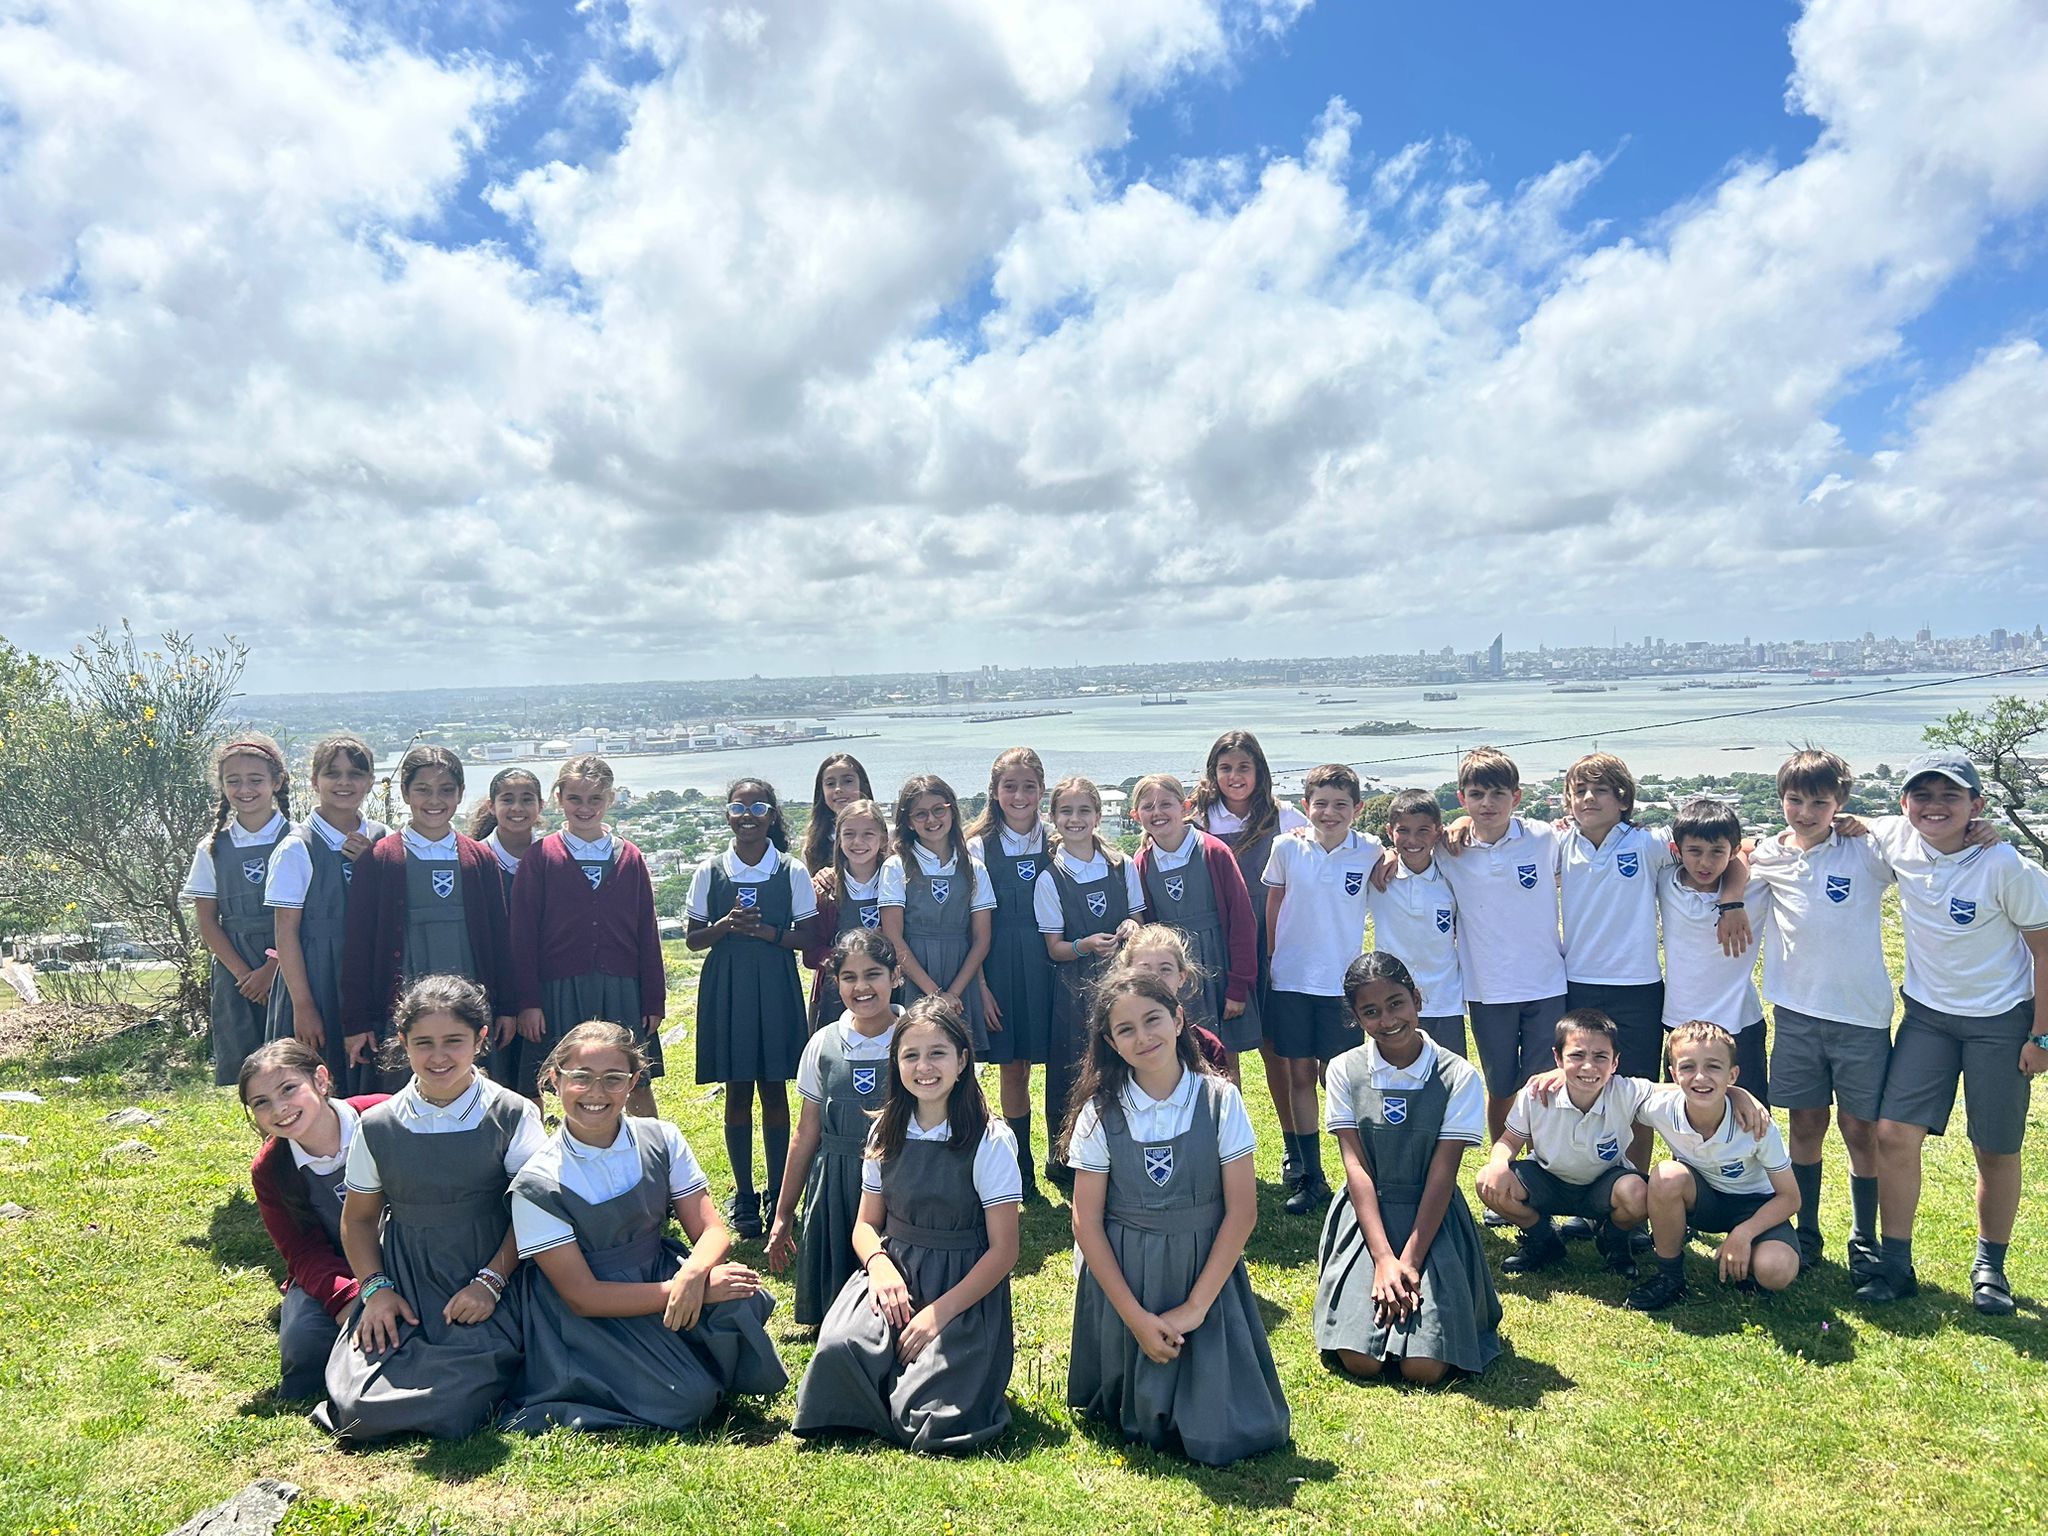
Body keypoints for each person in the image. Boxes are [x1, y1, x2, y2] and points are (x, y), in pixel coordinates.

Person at [501, 1021, 784, 1434]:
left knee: (740, 1293)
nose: (596, 1092)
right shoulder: (538, 1181)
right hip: (591, 1312)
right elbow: (583, 1297)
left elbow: (712, 1231)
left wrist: (693, 1274)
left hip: (657, 1270)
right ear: (554, 1080)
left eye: (613, 1079)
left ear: (633, 1082)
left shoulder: (660, 1138)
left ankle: (685, 1360)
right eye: (581, 1077)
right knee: (686, 1400)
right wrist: (688, 1292)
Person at [1063, 968, 1287, 1464]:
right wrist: (1136, 1319)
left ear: (1179, 1018)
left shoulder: (1220, 1100)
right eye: (1125, 1029)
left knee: (1220, 1428)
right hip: (1128, 1281)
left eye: (1153, 1020)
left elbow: (1242, 1212)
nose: (1143, 1037)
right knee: (1140, 1418)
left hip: (1203, 1276)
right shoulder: (1100, 1112)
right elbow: (1086, 1223)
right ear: (1110, 1043)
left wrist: (1194, 1309)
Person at [313, 976, 546, 1443]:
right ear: (403, 1043)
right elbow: (358, 1218)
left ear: (480, 1039)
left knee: (459, 1400)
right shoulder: (378, 1124)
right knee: (356, 1408)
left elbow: (532, 1209)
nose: (439, 1056)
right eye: (424, 1043)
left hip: (489, 1271)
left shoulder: (512, 1113)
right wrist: (376, 1290)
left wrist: (491, 1282)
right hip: (406, 1278)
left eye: (454, 1041)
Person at [1860, 751, 2048, 1313]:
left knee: (1994, 1147)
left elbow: (2045, 951)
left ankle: (1990, 1268)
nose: (1935, 806)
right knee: (1894, 1134)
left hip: (2000, 1021)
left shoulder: (2005, 865)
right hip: (1928, 1019)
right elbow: (1835, 822)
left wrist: (2042, 1036)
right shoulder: (1896, 837)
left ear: (1976, 805)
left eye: (1951, 796)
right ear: (1904, 803)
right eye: (1923, 795)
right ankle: (1896, 1264)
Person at [793, 995, 1021, 1453]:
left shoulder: (989, 1139)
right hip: (895, 1274)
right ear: (895, 1064)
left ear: (962, 1060)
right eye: (910, 1055)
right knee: (838, 1350)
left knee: (930, 1414)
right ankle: (886, 1380)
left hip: (961, 1286)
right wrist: (879, 1267)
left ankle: (903, 1391)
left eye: (937, 1053)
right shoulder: (885, 1130)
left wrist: (938, 1314)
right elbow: (865, 1224)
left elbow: (1004, 1251)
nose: (924, 1067)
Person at [1313, 952, 1500, 1382]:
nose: (1387, 1020)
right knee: (1361, 1360)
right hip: (1367, 1217)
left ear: (1416, 998)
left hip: (1432, 1217)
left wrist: (1410, 1261)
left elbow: (1442, 1176)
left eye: (1396, 1003)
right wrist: (1382, 1258)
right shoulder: (1343, 1070)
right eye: (1371, 1012)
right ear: (1357, 1018)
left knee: (1425, 1367)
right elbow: (1356, 1168)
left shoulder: (1458, 1075)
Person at [1748, 749, 1896, 1277]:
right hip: (1796, 1013)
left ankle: (1864, 1238)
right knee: (1805, 1124)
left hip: (1861, 1016)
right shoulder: (1769, 853)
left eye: (1819, 802)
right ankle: (1805, 1231)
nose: (1805, 813)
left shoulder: (1863, 850)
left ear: (1839, 803)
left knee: (1860, 1129)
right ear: (1781, 800)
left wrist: (1868, 822)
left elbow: (1919, 839)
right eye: (1795, 800)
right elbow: (1731, 861)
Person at [685, 777, 819, 1240]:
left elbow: (809, 936)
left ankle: (780, 1193)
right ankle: (744, 1194)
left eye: (758, 808)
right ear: (727, 814)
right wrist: (725, 925)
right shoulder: (711, 871)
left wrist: (769, 934)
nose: (748, 816)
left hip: (776, 984)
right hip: (728, 986)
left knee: (775, 1089)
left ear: (772, 815)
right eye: (738, 808)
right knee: (737, 1090)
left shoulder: (790, 870)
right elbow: (693, 938)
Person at [340, 746, 515, 1085]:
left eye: (446, 790)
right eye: (423, 789)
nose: (435, 800)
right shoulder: (380, 859)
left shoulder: (480, 859)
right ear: (405, 793)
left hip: (469, 993)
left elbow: (500, 940)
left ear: (460, 793)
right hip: (403, 994)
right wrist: (356, 1020)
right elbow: (359, 945)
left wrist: (507, 1006)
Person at [508, 755, 666, 1114]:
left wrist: (653, 999)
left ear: (610, 799)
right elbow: (523, 936)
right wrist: (528, 1002)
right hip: (559, 989)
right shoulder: (541, 857)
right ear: (559, 799)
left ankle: (649, 1147)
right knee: (564, 1081)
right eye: (575, 798)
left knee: (635, 1082)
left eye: (595, 798)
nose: (585, 808)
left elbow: (646, 930)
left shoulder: (630, 857)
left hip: (621, 988)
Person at [1189, 731, 1310, 1189]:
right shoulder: (1198, 819)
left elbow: (1329, 847)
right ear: (1213, 773)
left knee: (1276, 1049)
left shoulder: (1285, 817)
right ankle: (1231, 1150)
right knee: (1225, 1051)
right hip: (1222, 946)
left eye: (1244, 767)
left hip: (1274, 942)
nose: (1235, 776)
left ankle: (1294, 1146)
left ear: (1260, 771)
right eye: (1225, 768)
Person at [768, 930, 906, 1326]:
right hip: (835, 1181)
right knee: (838, 1306)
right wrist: (783, 1213)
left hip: (899, 1177)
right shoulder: (823, 1043)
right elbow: (805, 1132)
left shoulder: (913, 1036)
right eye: (849, 977)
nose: (861, 987)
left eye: (873, 974)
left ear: (895, 976)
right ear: (836, 982)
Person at [239, 1039, 389, 1398]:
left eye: (288, 1089)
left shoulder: (384, 1115)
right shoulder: (272, 1169)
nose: (279, 1108)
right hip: (338, 1272)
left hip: (412, 1256)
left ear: (320, 1080)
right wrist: (349, 1300)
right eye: (261, 1103)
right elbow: (303, 1252)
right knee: (305, 1345)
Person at [1432, 748, 1566, 1146]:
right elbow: (1408, 852)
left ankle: (1542, 1167)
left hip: (1546, 985)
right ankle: (1502, 1164)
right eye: (1476, 795)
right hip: (1487, 990)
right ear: (1462, 798)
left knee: (1544, 1086)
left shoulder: (1544, 838)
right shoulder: (1448, 849)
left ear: (1516, 797)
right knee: (1501, 1087)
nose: (1487, 804)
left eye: (1497, 794)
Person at [1262, 763, 1380, 1214]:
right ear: (1306, 805)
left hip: (1342, 986)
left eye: (1340, 805)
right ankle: (1311, 1176)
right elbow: (1275, 901)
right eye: (1321, 804)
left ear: (1358, 809)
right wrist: (1272, 957)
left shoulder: (1370, 851)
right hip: (1292, 980)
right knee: (1298, 1076)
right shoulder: (1287, 847)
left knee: (1340, 1080)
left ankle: (1360, 1176)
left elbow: (1401, 860)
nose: (1329, 813)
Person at [1626, 1021, 1802, 1310]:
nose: (1700, 1077)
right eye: (1687, 1067)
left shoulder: (1755, 1123)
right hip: (1703, 1203)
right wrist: (1561, 1073)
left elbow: (1790, 1198)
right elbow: (1610, 1088)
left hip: (1755, 1206)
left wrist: (1744, 1233)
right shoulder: (1661, 1106)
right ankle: (1669, 1276)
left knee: (1775, 1270)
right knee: (1667, 1175)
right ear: (1673, 1074)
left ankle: (1748, 1260)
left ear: (1732, 1075)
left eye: (1713, 1067)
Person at [1473, 1010, 1651, 1281]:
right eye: (1577, 1055)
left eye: (1600, 1057)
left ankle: (1614, 1240)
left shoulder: (1626, 1091)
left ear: (1615, 1062)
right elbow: (1509, 1140)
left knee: (1639, 1192)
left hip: (1603, 1185)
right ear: (1558, 1058)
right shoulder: (1536, 1092)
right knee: (1488, 1180)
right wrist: (1498, 1163)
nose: (1588, 1067)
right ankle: (1543, 1239)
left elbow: (1674, 1093)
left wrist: (1721, 1088)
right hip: (1547, 1180)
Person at [1035, 775, 1146, 1189]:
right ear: (1053, 817)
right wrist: (1083, 945)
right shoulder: (1050, 878)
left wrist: (1131, 927)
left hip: (1121, 982)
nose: (1075, 819)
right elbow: (1055, 948)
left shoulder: (1122, 865)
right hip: (1074, 986)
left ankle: (1125, 1149)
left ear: (1098, 816)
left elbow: (1137, 919)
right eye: (1066, 811)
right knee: (1073, 1066)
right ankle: (1064, 1154)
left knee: (1123, 1061)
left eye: (1084, 810)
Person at [265, 734, 388, 1095]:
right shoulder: (297, 847)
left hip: (371, 971)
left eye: (355, 773)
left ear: (370, 781)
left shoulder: (384, 839)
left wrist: (372, 865)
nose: (344, 782)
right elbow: (286, 933)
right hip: (317, 978)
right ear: (314, 781)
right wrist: (303, 1005)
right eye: (333, 773)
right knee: (315, 1076)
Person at [965, 747, 1059, 1201]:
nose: (1019, 796)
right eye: (1010, 786)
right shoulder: (977, 846)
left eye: (1029, 786)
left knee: (1063, 1063)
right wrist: (980, 986)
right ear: (995, 792)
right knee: (1013, 1067)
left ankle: (1064, 1157)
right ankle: (1021, 1168)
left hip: (1051, 965)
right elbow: (970, 925)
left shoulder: (1057, 840)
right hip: (999, 967)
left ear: (1041, 790)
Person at [1131, 772, 1259, 1076]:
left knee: (1223, 1061)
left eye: (1166, 804)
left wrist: (1238, 986)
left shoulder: (1214, 852)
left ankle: (1227, 1107)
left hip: (1218, 970)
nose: (1157, 812)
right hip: (1171, 974)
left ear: (1185, 806)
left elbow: (1242, 920)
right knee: (1178, 1055)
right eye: (1148, 807)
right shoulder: (1141, 863)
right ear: (1136, 816)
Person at [184, 734, 292, 1085]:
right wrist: (246, 976)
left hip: (293, 963)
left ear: (276, 782)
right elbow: (207, 921)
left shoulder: (299, 840)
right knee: (249, 1066)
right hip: (236, 970)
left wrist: (273, 967)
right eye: (234, 781)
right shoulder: (212, 847)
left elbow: (307, 916)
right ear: (222, 785)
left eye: (255, 779)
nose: (245, 789)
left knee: (293, 1058)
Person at [1658, 797, 1771, 1098]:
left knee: (1749, 1111)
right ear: (1677, 851)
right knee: (1682, 1112)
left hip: (1740, 1021)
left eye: (1717, 852)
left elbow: (1751, 848)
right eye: (1694, 851)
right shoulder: (1666, 881)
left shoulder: (1755, 886)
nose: (1705, 863)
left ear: (1731, 852)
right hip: (1681, 1021)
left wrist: (1732, 900)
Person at [880, 774, 995, 1052]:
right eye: (920, 814)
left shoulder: (974, 868)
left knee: (958, 1054)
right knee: (914, 1051)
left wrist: (953, 993)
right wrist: (934, 994)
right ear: (909, 822)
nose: (931, 820)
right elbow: (893, 936)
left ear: (951, 811)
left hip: (960, 973)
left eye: (938, 810)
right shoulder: (896, 866)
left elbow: (981, 939)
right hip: (914, 973)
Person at [1365, 788, 1465, 1059]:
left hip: (1445, 1001)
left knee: (1448, 1077)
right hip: (1392, 1004)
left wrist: (1465, 819)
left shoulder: (1452, 876)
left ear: (1438, 832)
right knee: (1397, 1076)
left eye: (1423, 830)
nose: (1412, 840)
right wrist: (1388, 854)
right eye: (1403, 831)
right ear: (1390, 831)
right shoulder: (1377, 875)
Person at [803, 796, 891, 1029]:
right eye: (849, 834)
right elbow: (810, 954)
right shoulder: (823, 890)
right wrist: (849, 960)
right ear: (839, 839)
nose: (858, 842)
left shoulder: (897, 883)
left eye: (868, 834)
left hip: (889, 993)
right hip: (837, 994)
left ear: (883, 839)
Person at [1115, 924, 1230, 1072]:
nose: (1155, 979)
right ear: (1127, 975)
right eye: (1144, 970)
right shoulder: (1116, 1046)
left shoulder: (1208, 1047)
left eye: (1165, 969)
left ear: (1181, 977)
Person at [468, 768, 545, 907]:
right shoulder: (475, 861)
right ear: (491, 806)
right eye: (507, 800)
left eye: (527, 800)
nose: (517, 808)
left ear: (541, 806)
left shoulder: (550, 858)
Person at [799, 753, 874, 874]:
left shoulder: (887, 835)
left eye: (847, 781)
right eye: (830, 784)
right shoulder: (812, 847)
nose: (838, 789)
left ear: (863, 785)